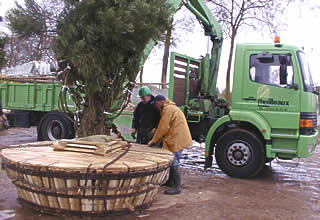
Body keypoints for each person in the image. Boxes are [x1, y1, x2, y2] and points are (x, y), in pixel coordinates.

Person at [148, 95, 192, 195]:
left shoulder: (168, 109)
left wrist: (153, 140)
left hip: (177, 138)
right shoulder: (170, 108)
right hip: (177, 137)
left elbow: (163, 127)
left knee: (174, 161)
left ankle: (177, 186)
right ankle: (170, 182)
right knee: (172, 160)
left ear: (160, 102)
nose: (155, 106)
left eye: (156, 103)